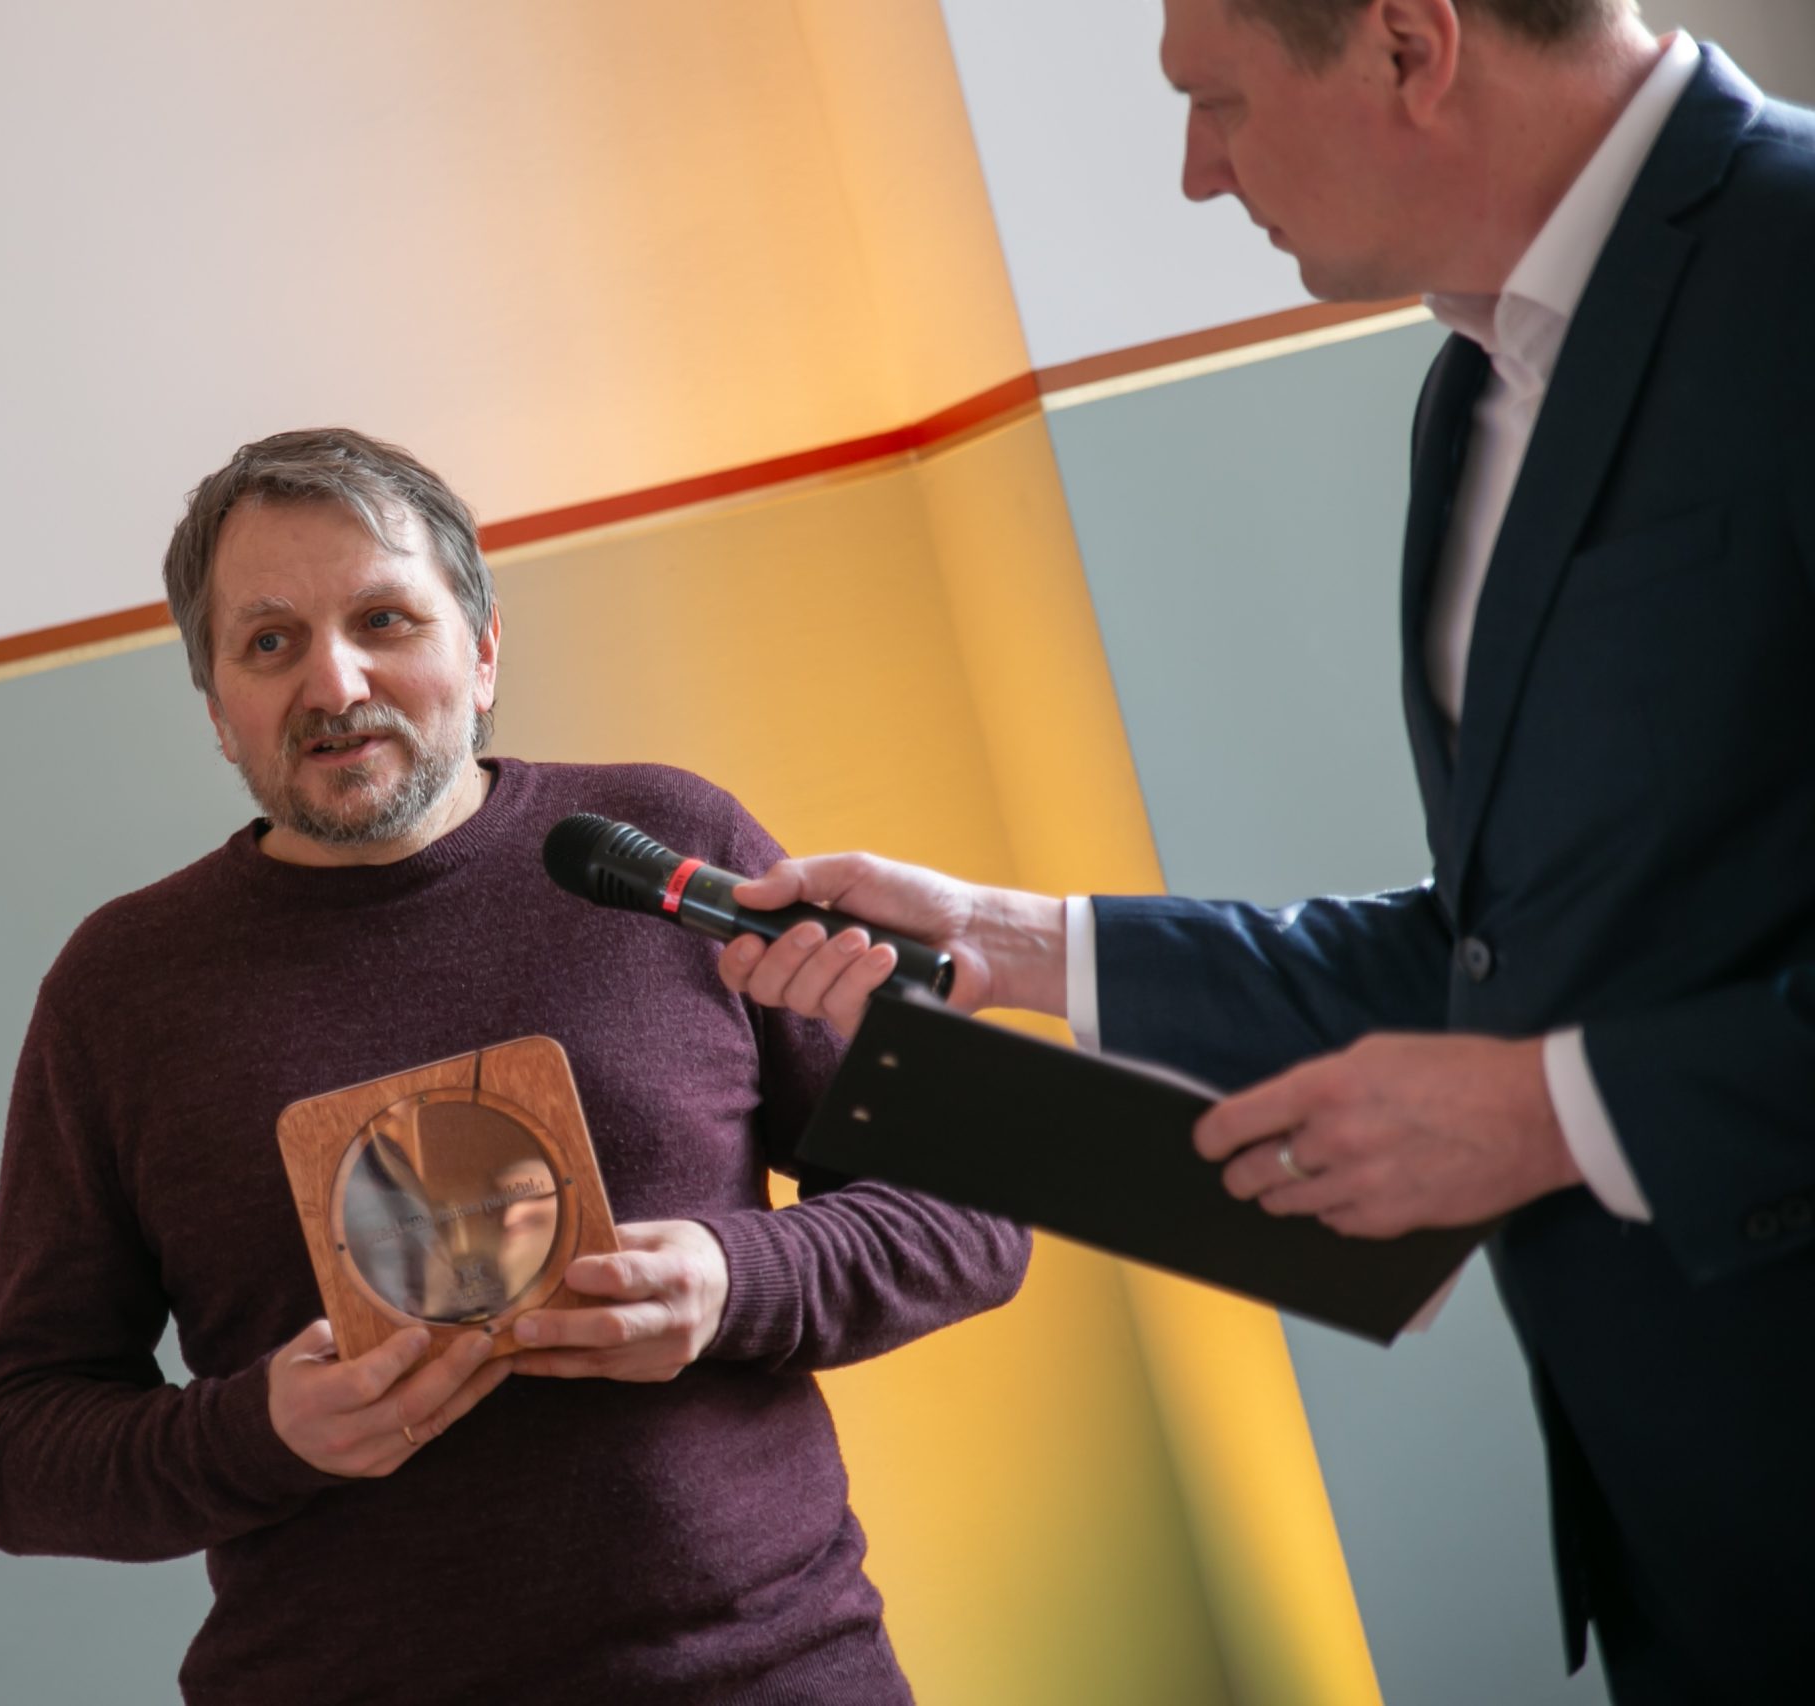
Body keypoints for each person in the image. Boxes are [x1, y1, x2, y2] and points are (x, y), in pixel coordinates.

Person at [718, 3, 1814, 1700]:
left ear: (1408, 46)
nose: (1196, 170)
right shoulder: (1472, 393)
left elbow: (1544, 1053)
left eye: (1217, 102)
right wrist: (1015, 940)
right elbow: (1493, 948)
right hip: (1698, 1547)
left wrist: (1553, 1113)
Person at [0, 427, 1030, 1704]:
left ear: (481, 647)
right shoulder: (121, 987)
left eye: (383, 619)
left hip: (771, 1671)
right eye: (269, 641)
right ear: (215, 709)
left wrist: (730, 1281)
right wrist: (257, 1430)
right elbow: (16, 1449)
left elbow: (976, 1208)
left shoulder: (670, 843)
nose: (332, 680)